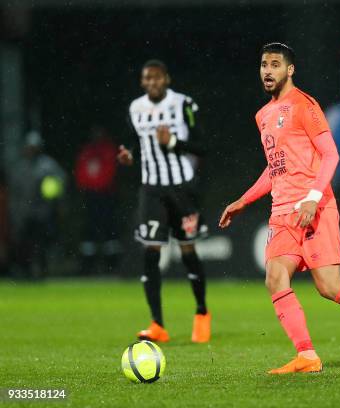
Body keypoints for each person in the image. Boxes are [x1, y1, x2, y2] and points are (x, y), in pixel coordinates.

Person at [219, 42, 340, 374]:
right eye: (263, 65)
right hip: (282, 211)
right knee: (275, 276)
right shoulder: (263, 115)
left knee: (330, 287)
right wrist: (244, 199)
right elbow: (275, 167)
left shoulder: (304, 105)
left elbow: (331, 154)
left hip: (315, 207)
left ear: (289, 69)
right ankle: (307, 356)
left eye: (275, 65)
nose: (268, 71)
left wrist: (312, 197)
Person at [118, 59, 210, 343]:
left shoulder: (184, 105)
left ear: (166, 79)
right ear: (142, 81)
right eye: (147, 78)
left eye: (157, 78)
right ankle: (157, 324)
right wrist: (128, 153)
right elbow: (132, 139)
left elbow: (203, 145)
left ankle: (201, 313)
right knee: (150, 252)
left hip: (182, 189)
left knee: (188, 252)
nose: (152, 83)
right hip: (151, 190)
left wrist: (173, 144)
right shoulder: (136, 108)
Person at [10, 131, 66, 279]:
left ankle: (41, 270)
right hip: (23, 213)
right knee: (23, 245)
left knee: (41, 244)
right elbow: (15, 192)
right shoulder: (20, 167)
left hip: (42, 213)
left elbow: (60, 183)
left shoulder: (48, 166)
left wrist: (55, 202)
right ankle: (25, 272)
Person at [75, 125, 121, 275]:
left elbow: (110, 172)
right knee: (89, 231)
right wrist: (85, 187)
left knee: (109, 230)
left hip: (106, 195)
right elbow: (81, 171)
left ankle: (111, 264)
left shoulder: (108, 150)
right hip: (90, 195)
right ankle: (88, 265)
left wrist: (100, 186)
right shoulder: (87, 151)